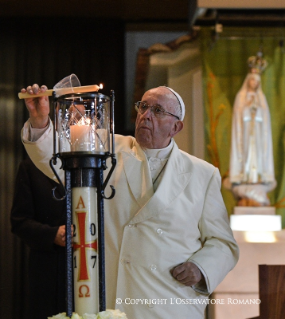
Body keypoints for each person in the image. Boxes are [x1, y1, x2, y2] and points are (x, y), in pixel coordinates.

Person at [20, 83, 239, 319]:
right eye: (143, 107)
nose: (145, 115)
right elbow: (57, 161)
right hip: (117, 301)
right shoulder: (106, 149)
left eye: (157, 110)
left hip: (171, 302)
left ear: (176, 126)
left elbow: (223, 243)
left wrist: (200, 268)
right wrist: (40, 120)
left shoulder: (203, 174)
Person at [10, 156, 67, 319]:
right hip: (47, 270)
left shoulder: (91, 164)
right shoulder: (31, 166)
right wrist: (52, 235)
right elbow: (19, 222)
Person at [229, 70, 276, 206]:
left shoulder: (261, 97)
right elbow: (239, 116)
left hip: (258, 132)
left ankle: (257, 178)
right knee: (246, 154)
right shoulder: (241, 96)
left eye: (257, 81)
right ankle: (246, 177)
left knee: (258, 154)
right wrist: (249, 109)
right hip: (245, 132)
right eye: (252, 80)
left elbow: (265, 117)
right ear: (248, 80)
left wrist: (257, 110)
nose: (254, 83)